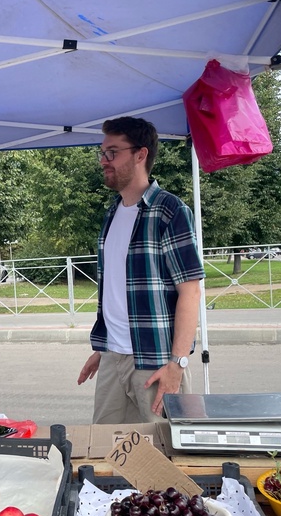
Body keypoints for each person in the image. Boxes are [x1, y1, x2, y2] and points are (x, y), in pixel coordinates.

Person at [76, 117, 204, 424]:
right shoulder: (111, 213)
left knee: (162, 455)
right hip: (112, 358)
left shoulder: (169, 211)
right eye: (102, 153)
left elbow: (191, 290)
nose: (104, 161)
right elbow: (117, 290)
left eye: (112, 152)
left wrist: (178, 362)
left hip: (156, 360)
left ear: (140, 154)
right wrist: (104, 348)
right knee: (109, 453)